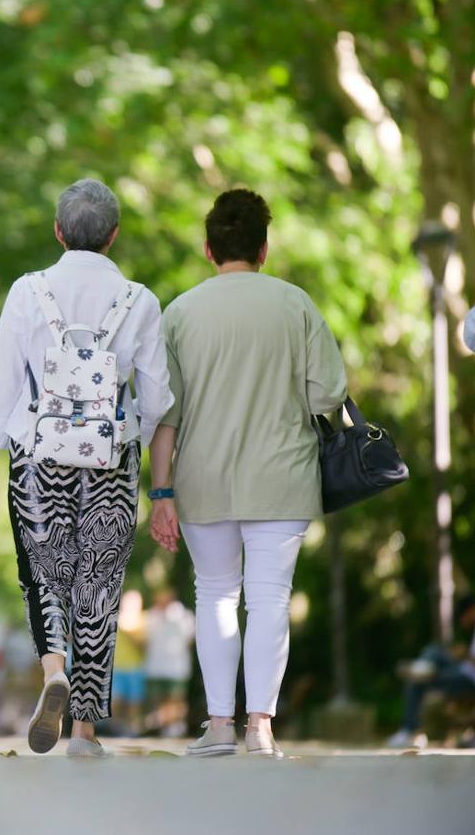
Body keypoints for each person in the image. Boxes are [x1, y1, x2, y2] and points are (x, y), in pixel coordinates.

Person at [0, 178, 173, 757]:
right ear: (114, 236)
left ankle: (54, 670)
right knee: (99, 584)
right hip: (111, 458)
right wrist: (151, 469)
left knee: (44, 573)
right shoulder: (141, 301)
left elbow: (0, 380)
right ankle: (85, 730)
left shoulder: (28, 292)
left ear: (58, 233)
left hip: (37, 453)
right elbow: (157, 400)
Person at [149, 188, 348, 758]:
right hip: (282, 476)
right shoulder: (296, 305)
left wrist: (160, 491)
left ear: (209, 249)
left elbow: (164, 415)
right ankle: (259, 727)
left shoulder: (181, 312)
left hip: (203, 479)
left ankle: (216, 726)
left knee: (213, 595)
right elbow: (328, 394)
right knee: (270, 600)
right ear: (264, 249)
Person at [388, 597, 475, 749]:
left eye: (463, 615)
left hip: (469, 679)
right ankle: (424, 667)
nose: (462, 620)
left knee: (417, 681)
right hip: (464, 670)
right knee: (435, 650)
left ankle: (409, 730)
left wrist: (465, 656)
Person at [143, 588, 195, 737]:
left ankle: (174, 727)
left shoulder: (183, 616)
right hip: (160, 666)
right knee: (161, 699)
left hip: (174, 666)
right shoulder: (152, 615)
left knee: (175, 699)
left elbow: (188, 640)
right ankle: (166, 727)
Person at [110, 589, 147, 736]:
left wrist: (130, 633)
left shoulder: (142, 620)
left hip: (135, 667)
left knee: (134, 702)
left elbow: (144, 645)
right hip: (117, 666)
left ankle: (131, 730)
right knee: (116, 701)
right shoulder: (114, 618)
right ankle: (116, 728)